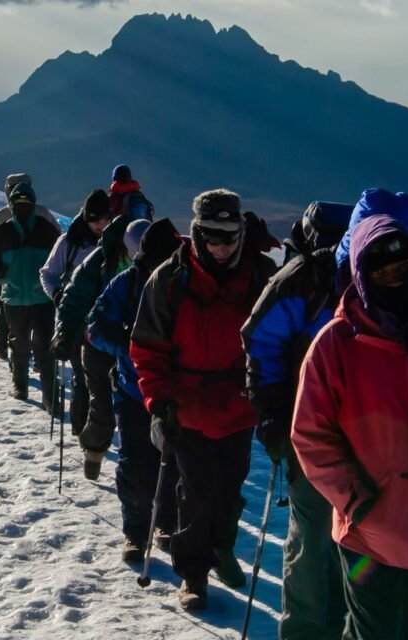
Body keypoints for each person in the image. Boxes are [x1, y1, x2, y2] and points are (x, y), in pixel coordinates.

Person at [291, 214, 408, 640]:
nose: (393, 279)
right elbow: (309, 434)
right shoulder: (336, 345)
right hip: (370, 528)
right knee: (378, 629)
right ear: (361, 274)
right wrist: (356, 499)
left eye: (403, 269)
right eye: (380, 270)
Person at [130, 189, 277, 611]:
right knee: (195, 493)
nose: (220, 246)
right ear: (196, 232)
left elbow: (278, 341)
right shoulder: (170, 279)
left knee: (230, 490)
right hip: (187, 409)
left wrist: (271, 396)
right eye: (212, 236)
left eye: (229, 237)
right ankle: (193, 575)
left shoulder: (261, 276)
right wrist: (158, 404)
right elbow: (147, 347)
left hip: (239, 407)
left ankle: (220, 549)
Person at [240, 200, 352, 639]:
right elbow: (262, 345)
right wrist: (271, 416)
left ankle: (316, 629)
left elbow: (261, 347)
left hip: (309, 431)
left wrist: (271, 415)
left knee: (320, 543)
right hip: (315, 437)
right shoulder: (305, 283)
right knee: (322, 540)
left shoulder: (303, 280)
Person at [88, 218, 183, 563]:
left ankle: (165, 525)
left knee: (171, 463)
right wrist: (129, 347)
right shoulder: (126, 285)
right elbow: (96, 326)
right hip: (132, 390)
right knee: (135, 465)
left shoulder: (185, 284)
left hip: (173, 392)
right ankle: (135, 532)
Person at [54, 214, 146, 480]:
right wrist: (64, 335)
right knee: (103, 407)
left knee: (138, 412)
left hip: (137, 350)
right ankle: (93, 452)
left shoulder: (160, 264)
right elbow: (74, 298)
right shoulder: (99, 262)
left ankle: (141, 476)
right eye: (135, 252)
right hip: (97, 345)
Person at [40, 189, 112, 432]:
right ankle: (82, 431)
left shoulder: (115, 244)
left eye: (104, 220)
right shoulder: (69, 243)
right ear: (85, 217)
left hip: (105, 321)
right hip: (75, 321)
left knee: (100, 379)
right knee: (83, 377)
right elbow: (48, 274)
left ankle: (94, 429)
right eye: (95, 220)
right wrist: (58, 295)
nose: (100, 225)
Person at [0, 182, 61, 406]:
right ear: (12, 205)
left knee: (39, 344)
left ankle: (46, 394)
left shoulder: (43, 229)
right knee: (23, 343)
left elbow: (60, 259)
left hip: (34, 297)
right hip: (22, 297)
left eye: (26, 204)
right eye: (19, 204)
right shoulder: (5, 230)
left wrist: (3, 278)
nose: (22, 207)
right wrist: (2, 276)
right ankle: (24, 386)